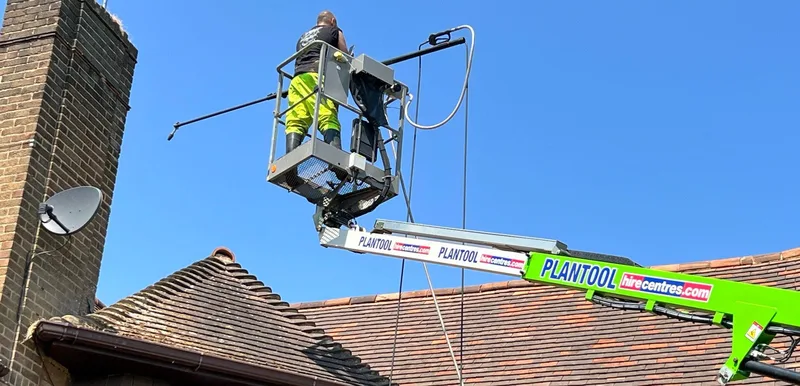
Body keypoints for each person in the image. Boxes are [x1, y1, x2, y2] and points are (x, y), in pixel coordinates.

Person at [285, 10, 350, 154]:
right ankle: (335, 155)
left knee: (296, 119)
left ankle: (290, 159)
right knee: (327, 115)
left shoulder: (303, 37)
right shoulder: (334, 31)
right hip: (317, 76)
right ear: (332, 21)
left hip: (298, 79)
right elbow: (345, 56)